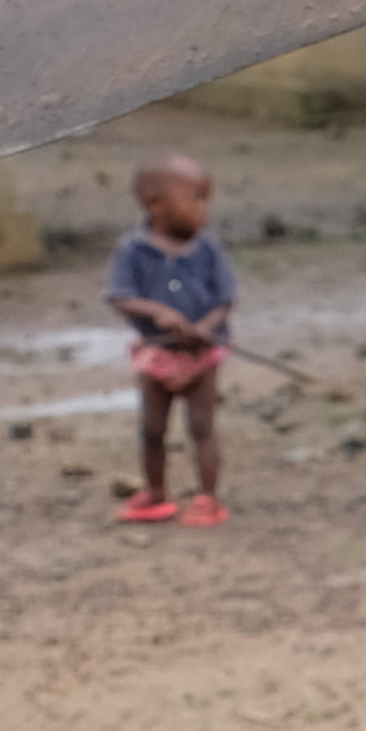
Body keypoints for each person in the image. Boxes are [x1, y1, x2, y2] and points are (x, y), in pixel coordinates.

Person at [107, 152, 235, 526]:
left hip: (202, 355)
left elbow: (226, 298)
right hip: (157, 355)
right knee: (152, 428)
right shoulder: (132, 250)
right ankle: (156, 492)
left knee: (202, 427)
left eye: (205, 200)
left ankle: (208, 496)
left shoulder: (208, 248)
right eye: (195, 199)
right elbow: (119, 296)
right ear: (155, 204)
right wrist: (156, 312)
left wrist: (207, 327)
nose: (204, 210)